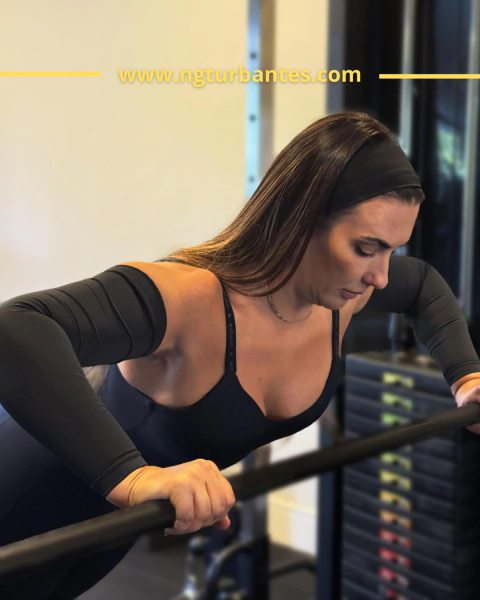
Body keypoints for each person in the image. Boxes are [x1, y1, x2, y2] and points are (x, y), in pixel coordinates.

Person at [1, 111, 480, 599]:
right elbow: (16, 327)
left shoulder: (343, 299)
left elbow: (423, 286)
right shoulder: (191, 297)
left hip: (114, 523)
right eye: (366, 248)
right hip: (28, 494)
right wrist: (134, 476)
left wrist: (467, 378)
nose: (379, 275)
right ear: (300, 220)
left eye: (390, 251)